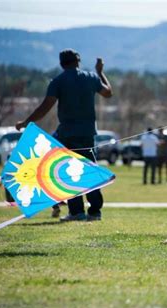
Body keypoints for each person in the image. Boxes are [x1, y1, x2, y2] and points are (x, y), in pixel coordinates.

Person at [15, 49, 113, 222]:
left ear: (61, 64)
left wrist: (26, 122)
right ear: (78, 61)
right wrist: (100, 72)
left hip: (68, 134)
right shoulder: (91, 78)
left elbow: (45, 107)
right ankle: (95, 211)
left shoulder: (58, 82)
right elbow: (108, 93)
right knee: (89, 170)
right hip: (88, 133)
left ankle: (76, 212)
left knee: (69, 172)